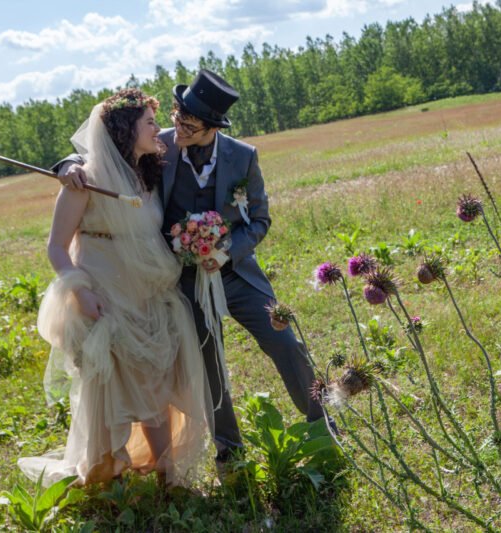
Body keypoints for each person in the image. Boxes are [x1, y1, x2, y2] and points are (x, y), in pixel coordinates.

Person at [58, 70, 323, 471]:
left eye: (188, 123)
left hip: (236, 274)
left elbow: (260, 220)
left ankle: (323, 427)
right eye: (176, 116)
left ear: (212, 128)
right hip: (182, 282)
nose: (176, 127)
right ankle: (230, 454)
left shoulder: (243, 157)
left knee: (284, 341)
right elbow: (105, 153)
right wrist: (68, 163)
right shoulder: (159, 143)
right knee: (208, 365)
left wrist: (227, 251)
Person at [19, 89, 213, 488]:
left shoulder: (149, 172)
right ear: (126, 130)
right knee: (115, 388)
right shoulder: (83, 179)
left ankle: (165, 471)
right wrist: (79, 292)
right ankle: (108, 474)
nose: (156, 129)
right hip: (105, 297)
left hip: (148, 294)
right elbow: (56, 246)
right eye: (147, 122)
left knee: (156, 384)